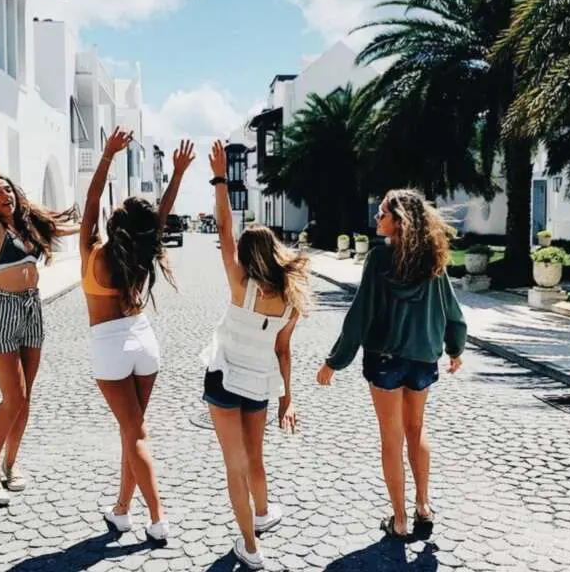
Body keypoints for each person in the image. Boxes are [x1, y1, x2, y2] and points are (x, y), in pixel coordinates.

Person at [316, 188, 467, 539]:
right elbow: (453, 311)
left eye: (382, 213)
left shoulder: (380, 259)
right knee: (416, 429)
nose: (376, 217)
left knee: (392, 438)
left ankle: (399, 520)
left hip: (385, 359)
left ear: (398, 221)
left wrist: (334, 361)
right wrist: (455, 349)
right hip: (423, 359)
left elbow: (361, 314)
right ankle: (423, 506)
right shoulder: (432, 258)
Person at [0, 107, 81, 505]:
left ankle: (11, 463)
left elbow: (72, 227)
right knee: (14, 398)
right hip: (2, 312)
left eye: (9, 189)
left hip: (31, 310)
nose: (4, 193)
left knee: (26, 397)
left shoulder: (27, 228)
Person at [79, 127, 195, 542]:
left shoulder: (93, 251)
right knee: (131, 432)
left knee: (135, 433)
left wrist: (108, 154)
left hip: (110, 347)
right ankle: (121, 511)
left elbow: (91, 200)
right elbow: (161, 215)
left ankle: (158, 519)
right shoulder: (143, 256)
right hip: (144, 340)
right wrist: (177, 173)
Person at [200, 140, 311, 569]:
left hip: (224, 379)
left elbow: (223, 228)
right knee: (255, 459)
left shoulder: (239, 286)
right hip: (258, 386)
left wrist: (220, 178)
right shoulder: (290, 304)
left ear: (247, 257)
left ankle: (249, 545)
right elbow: (284, 352)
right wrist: (287, 399)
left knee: (235, 466)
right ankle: (262, 514)